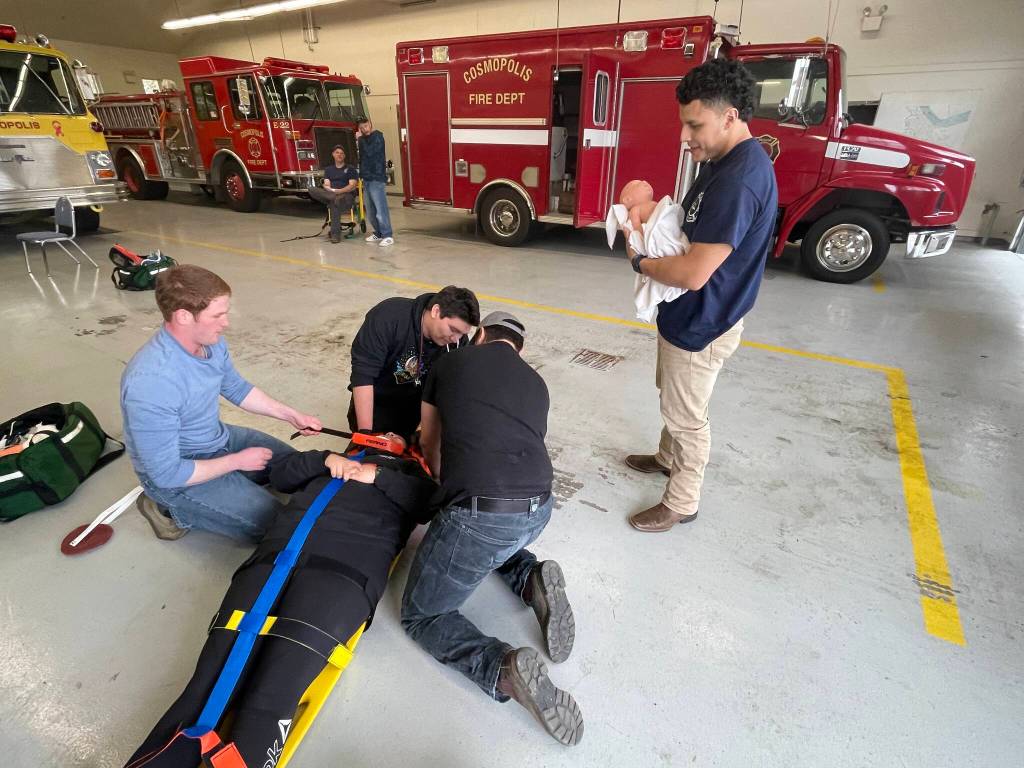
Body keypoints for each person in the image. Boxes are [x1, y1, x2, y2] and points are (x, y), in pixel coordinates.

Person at [124, 439, 437, 768]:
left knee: (271, 696)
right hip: (271, 563)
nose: (389, 435)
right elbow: (282, 475)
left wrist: (379, 476)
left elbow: (429, 504)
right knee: (205, 687)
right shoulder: (334, 458)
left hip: (342, 576)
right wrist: (325, 459)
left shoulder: (412, 475)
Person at [401, 311, 582, 746]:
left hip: (482, 518)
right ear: (519, 349)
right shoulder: (537, 383)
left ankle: (501, 668)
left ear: (480, 335)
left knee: (422, 615)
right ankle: (531, 578)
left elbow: (430, 445)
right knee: (492, 539)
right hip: (540, 509)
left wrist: (439, 485)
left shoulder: (451, 362)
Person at [622, 58, 778, 533]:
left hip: (704, 321)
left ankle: (682, 501)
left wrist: (641, 263)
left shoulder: (739, 180)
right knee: (673, 398)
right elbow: (689, 232)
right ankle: (666, 458)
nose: (684, 136)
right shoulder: (720, 163)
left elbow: (692, 273)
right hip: (688, 316)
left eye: (695, 125)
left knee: (687, 417)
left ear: (729, 116)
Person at [121, 265, 322, 542]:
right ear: (183, 316)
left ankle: (235, 482)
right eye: (217, 315)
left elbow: (236, 388)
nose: (226, 323)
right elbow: (167, 473)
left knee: (301, 468)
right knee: (282, 528)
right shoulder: (152, 382)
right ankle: (167, 507)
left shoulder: (211, 342)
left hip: (216, 439)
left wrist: (290, 414)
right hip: (178, 470)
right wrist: (236, 461)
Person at [348, 286, 479, 441]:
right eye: (453, 329)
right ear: (436, 311)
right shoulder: (388, 317)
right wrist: (365, 435)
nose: (455, 338)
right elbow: (363, 375)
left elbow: (448, 391)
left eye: (462, 334)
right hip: (377, 406)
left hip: (419, 413)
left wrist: (420, 436)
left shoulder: (458, 343)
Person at [356, 117, 394, 247]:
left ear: (370, 124)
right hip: (366, 178)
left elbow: (370, 153)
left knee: (380, 209)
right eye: (361, 127)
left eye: (366, 126)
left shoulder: (378, 136)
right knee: (370, 210)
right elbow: (362, 158)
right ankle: (378, 232)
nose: (364, 129)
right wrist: (361, 174)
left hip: (377, 178)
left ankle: (387, 235)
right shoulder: (362, 140)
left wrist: (359, 139)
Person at [308, 145, 359, 243]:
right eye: (337, 153)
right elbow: (327, 184)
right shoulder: (328, 170)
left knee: (335, 203)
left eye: (342, 153)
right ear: (333, 154)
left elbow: (352, 186)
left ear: (344, 156)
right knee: (311, 189)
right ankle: (333, 197)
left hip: (347, 196)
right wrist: (330, 189)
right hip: (332, 194)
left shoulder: (350, 169)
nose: (339, 155)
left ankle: (335, 235)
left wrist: (340, 191)